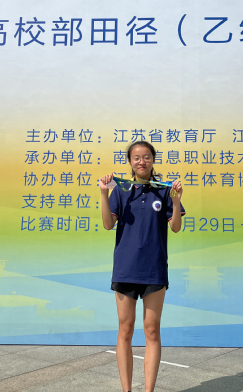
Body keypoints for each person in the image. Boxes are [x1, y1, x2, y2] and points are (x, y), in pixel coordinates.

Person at [99, 141, 185, 392]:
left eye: (146, 157)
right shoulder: (121, 190)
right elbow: (108, 225)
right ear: (130, 161)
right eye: (136, 157)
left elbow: (175, 227)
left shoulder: (164, 190)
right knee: (125, 329)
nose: (141, 161)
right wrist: (103, 193)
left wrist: (176, 201)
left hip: (154, 269)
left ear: (153, 160)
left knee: (152, 330)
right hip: (125, 269)